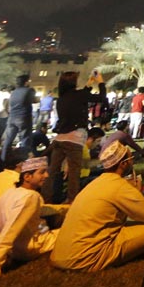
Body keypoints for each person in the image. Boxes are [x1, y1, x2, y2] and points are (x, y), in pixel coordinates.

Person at [51, 141, 144, 271]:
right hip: (85, 257)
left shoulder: (95, 184)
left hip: (59, 256)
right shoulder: (119, 186)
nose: (132, 162)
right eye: (131, 159)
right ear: (123, 164)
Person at [0, 157, 63, 282]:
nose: (47, 175)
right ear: (27, 176)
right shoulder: (31, 196)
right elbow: (9, 231)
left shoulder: (10, 192)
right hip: (29, 249)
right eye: (42, 172)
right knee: (72, 230)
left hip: (14, 250)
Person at [43, 71, 106, 204]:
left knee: (52, 172)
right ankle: (71, 201)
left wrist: (89, 84)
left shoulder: (61, 99)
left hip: (60, 139)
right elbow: (101, 98)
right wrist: (100, 82)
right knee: (74, 173)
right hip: (74, 139)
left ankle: (45, 198)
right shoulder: (79, 95)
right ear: (73, 83)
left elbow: (79, 96)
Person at [1, 74, 35, 162]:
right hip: (23, 118)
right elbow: (33, 100)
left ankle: (3, 159)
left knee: (8, 141)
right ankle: (24, 162)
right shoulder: (29, 90)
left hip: (12, 118)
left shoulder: (14, 92)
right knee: (25, 140)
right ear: (26, 82)